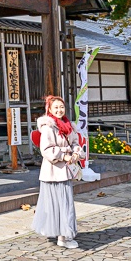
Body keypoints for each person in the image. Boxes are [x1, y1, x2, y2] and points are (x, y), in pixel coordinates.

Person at [32, 95, 84, 248]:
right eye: (56, 107)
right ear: (49, 109)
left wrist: (76, 153)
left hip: (65, 171)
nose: (59, 110)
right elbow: (46, 150)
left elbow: (75, 143)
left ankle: (63, 235)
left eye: (61, 107)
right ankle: (63, 236)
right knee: (55, 205)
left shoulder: (69, 126)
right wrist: (64, 154)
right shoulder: (48, 127)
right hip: (52, 172)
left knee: (65, 204)